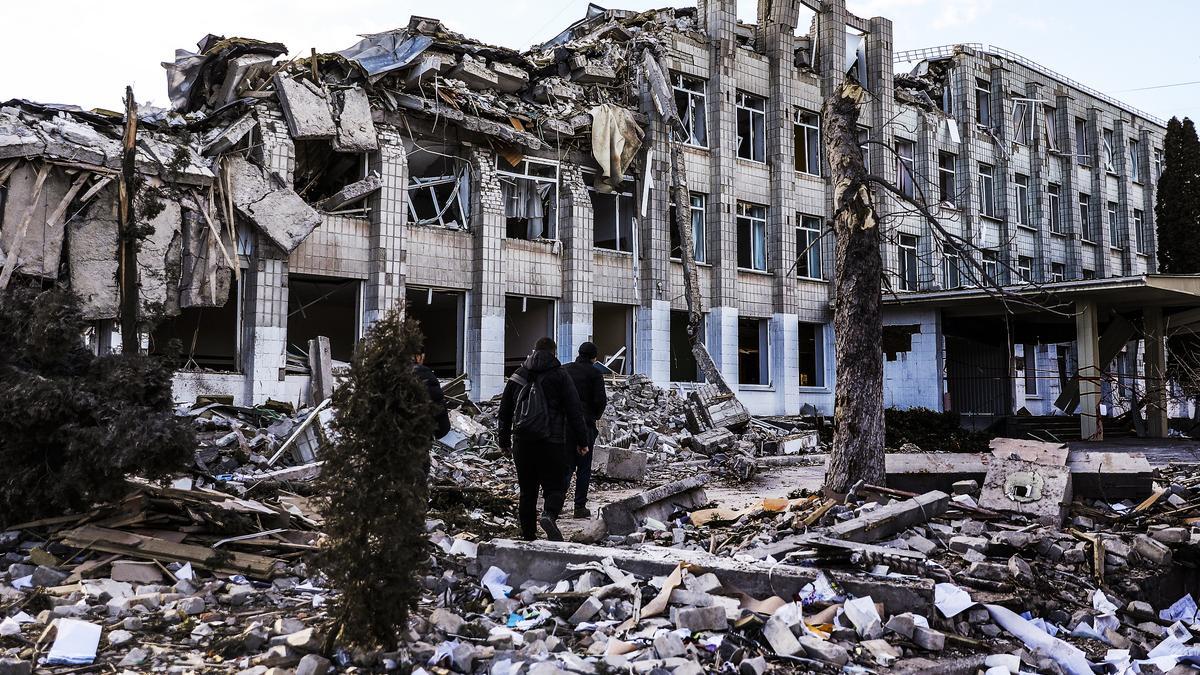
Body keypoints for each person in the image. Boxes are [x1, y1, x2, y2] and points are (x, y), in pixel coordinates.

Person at [497, 337, 588, 541]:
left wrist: (504, 441)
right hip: (552, 441)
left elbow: (504, 411)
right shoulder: (560, 375)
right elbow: (575, 411)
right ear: (554, 353)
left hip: (522, 442)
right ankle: (549, 514)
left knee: (527, 491)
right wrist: (583, 441)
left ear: (534, 351)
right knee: (555, 486)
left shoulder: (518, 375)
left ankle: (528, 535)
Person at [563, 341, 608, 518]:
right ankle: (579, 506)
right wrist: (593, 416)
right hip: (585, 424)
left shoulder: (565, 370)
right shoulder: (595, 374)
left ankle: (555, 505)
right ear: (594, 357)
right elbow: (600, 401)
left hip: (565, 425)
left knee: (565, 467)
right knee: (583, 467)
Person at [413, 351, 451, 439]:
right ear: (418, 357)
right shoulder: (424, 375)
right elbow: (442, 426)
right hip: (414, 444)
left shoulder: (382, 374)